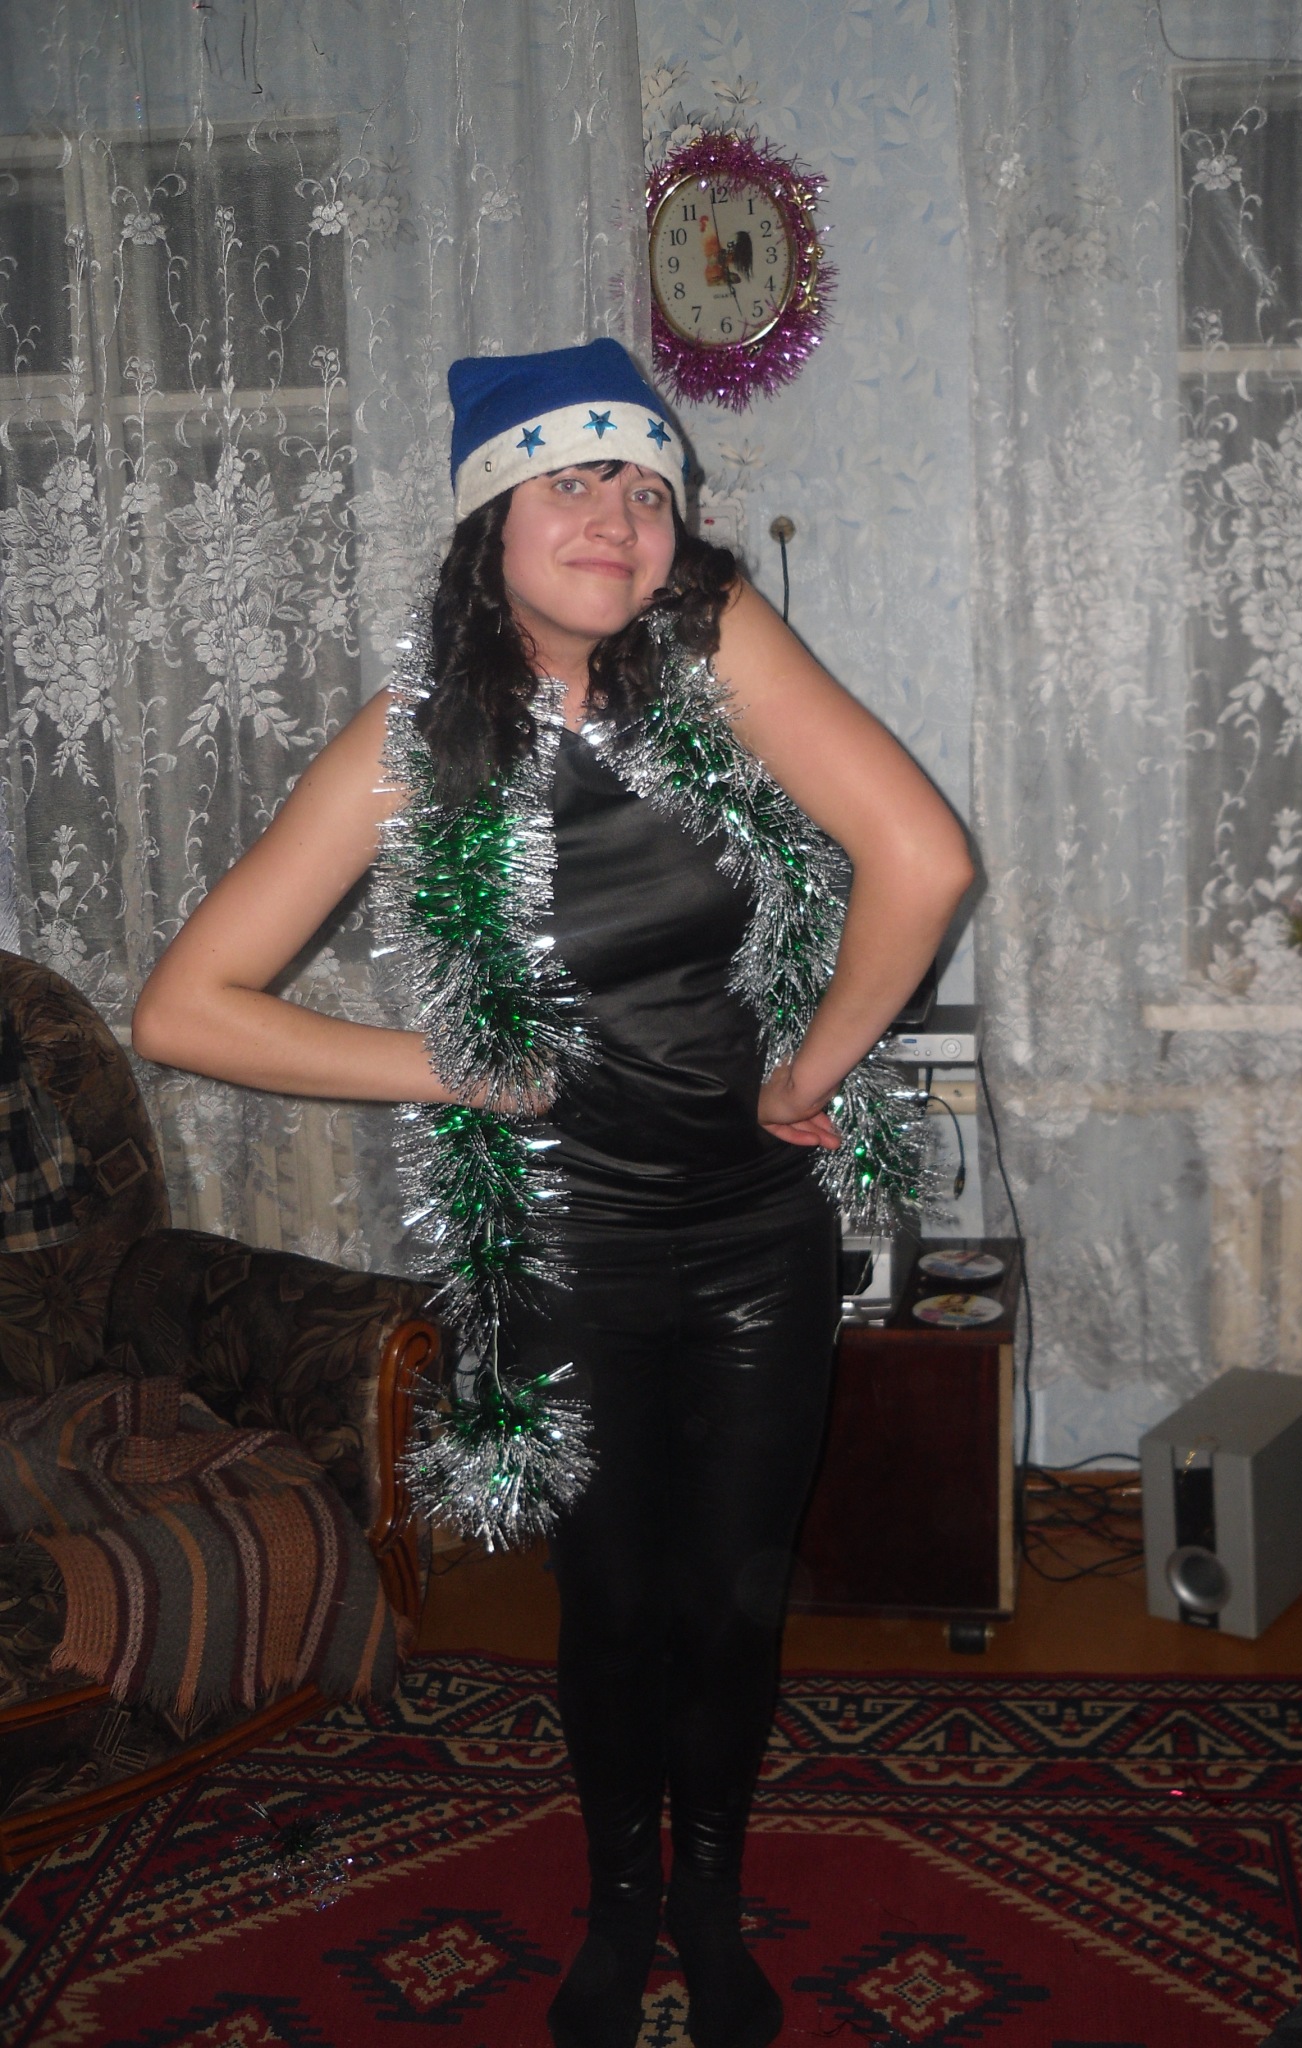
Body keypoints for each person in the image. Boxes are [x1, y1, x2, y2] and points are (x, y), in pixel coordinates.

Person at [133, 338, 973, 2048]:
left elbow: (923, 857)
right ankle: (618, 1902)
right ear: (489, 522)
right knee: (614, 1596)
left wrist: (806, 1075)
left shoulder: (716, 650)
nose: (616, 517)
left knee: (735, 1593)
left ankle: (712, 1902)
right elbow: (185, 1008)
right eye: (571, 481)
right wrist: (449, 1069)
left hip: (757, 1226)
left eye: (647, 488)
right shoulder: (413, 744)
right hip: (564, 1237)